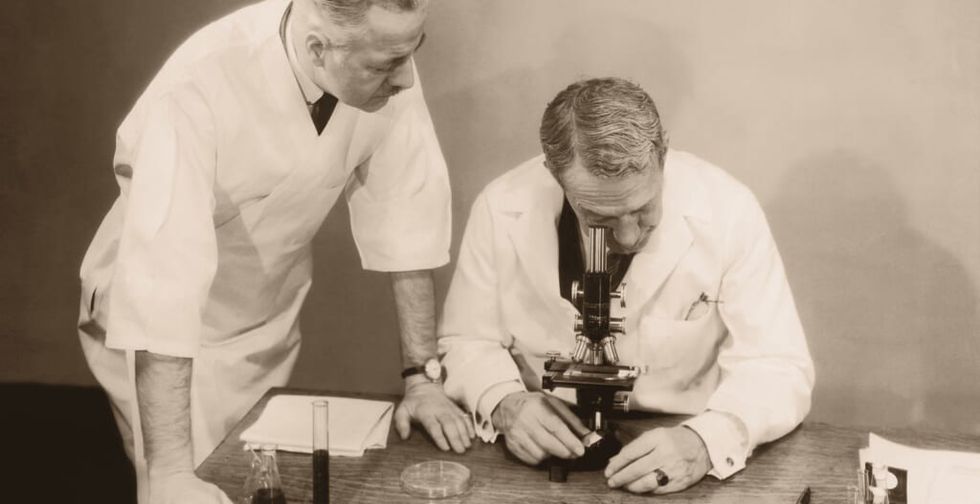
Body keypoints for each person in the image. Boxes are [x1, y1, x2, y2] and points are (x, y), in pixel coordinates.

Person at [77, 1, 473, 502]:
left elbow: (408, 215)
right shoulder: (198, 85)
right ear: (318, 49)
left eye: (413, 51)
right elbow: (162, 281)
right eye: (386, 65)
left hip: (265, 321)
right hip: (166, 338)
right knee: (184, 489)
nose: (407, 78)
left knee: (258, 484)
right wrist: (171, 474)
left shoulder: (384, 58)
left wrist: (423, 378)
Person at [437, 77, 814, 494]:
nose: (629, 237)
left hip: (679, 445)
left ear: (663, 155)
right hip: (545, 448)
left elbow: (778, 365)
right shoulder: (500, 206)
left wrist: (706, 441)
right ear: (554, 174)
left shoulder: (729, 210)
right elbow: (467, 339)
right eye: (599, 218)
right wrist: (504, 402)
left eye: (643, 209)